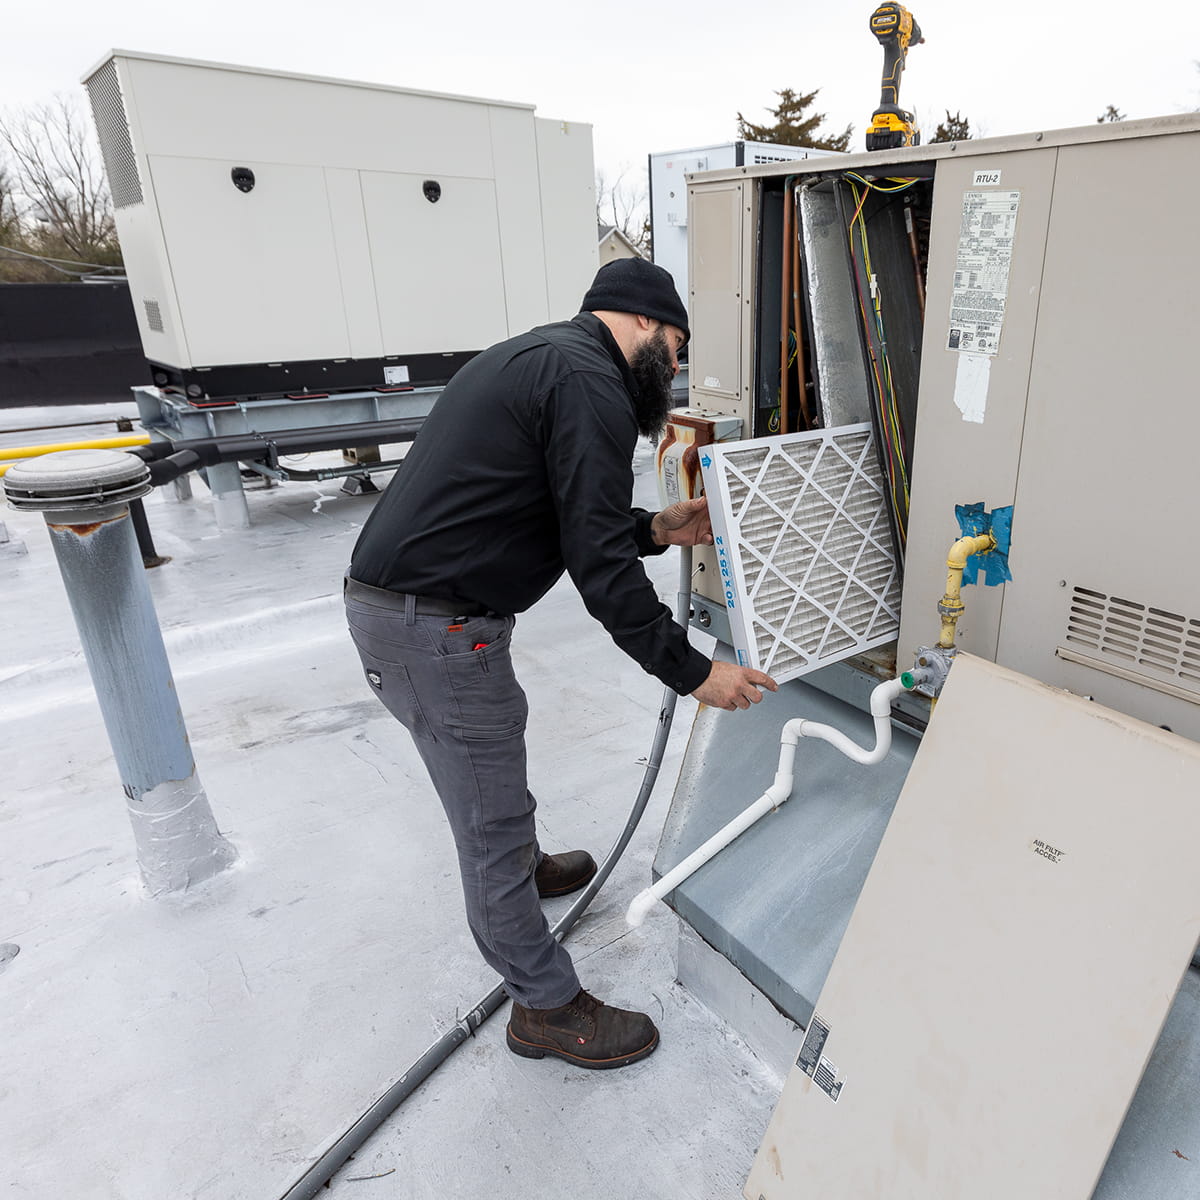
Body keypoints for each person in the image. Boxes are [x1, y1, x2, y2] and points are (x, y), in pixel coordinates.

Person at [344, 258, 777, 1071]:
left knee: (493, 754)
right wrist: (692, 673)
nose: (677, 370)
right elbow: (600, 574)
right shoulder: (591, 382)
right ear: (644, 324)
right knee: (488, 815)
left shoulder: (553, 358)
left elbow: (566, 511)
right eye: (677, 348)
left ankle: (526, 866)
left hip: (419, 611)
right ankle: (544, 1009)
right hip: (432, 627)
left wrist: (656, 526)